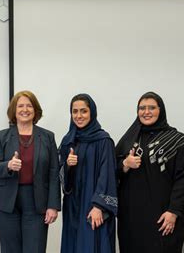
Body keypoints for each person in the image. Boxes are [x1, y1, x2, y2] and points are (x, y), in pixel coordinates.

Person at [116, 91, 184, 253]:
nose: (146, 112)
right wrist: (125, 164)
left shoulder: (178, 141)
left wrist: (173, 211)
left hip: (162, 216)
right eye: (142, 108)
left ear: (161, 110)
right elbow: (112, 167)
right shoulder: (130, 138)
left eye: (151, 107)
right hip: (132, 217)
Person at [0, 90, 61, 253]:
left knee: (35, 248)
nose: (25, 109)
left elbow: (53, 172)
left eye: (29, 106)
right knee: (10, 249)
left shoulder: (47, 136)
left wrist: (53, 205)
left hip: (37, 201)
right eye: (20, 106)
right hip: (6, 201)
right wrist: (8, 165)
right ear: (14, 111)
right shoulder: (2, 136)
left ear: (35, 110)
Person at [58, 93, 117, 253]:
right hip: (73, 208)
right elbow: (63, 180)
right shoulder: (68, 140)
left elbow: (108, 175)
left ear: (92, 112)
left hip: (93, 206)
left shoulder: (103, 140)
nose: (79, 116)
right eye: (74, 111)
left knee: (94, 245)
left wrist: (99, 206)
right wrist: (68, 166)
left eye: (83, 111)